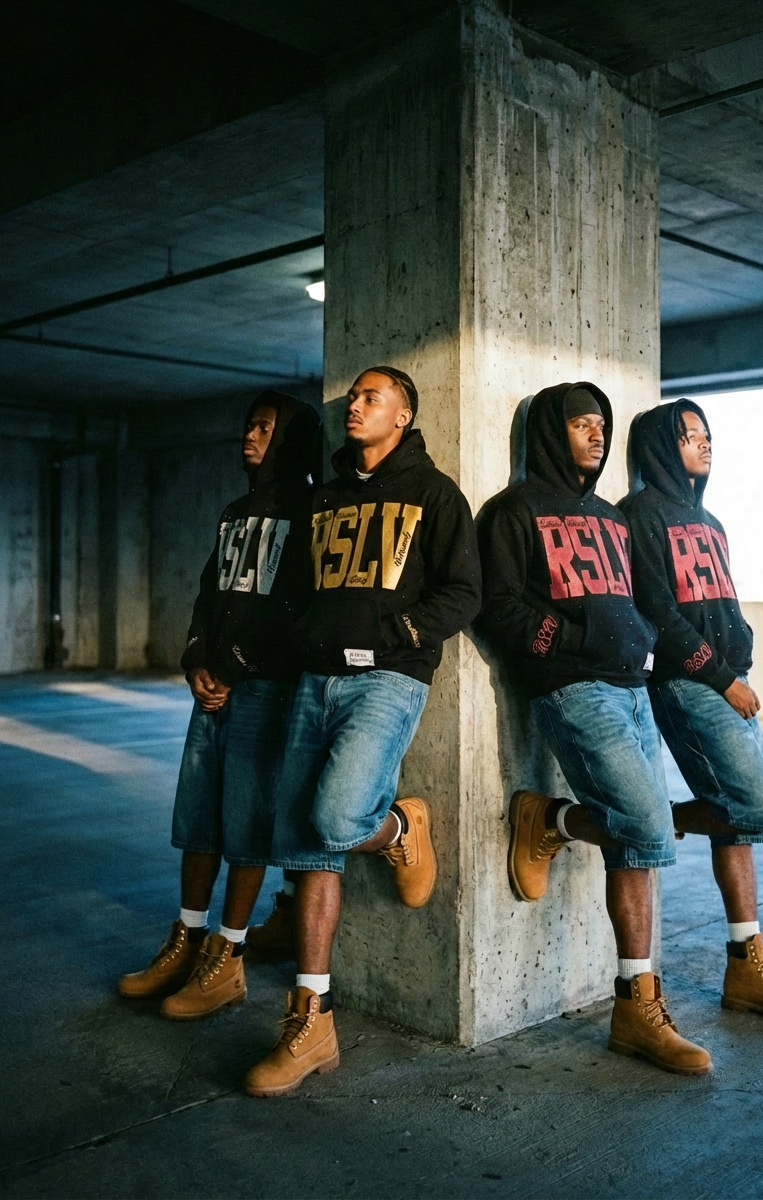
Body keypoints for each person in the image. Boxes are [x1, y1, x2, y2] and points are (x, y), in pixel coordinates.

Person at [243, 366, 481, 1097]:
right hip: (314, 678)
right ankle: (312, 1019)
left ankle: (400, 828)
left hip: (386, 680)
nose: (356, 405)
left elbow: (464, 592)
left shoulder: (435, 493)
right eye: (353, 397)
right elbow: (299, 588)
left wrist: (400, 632)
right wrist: (302, 639)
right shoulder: (327, 495)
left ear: (403, 416)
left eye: (372, 398)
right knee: (305, 846)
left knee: (337, 819)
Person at [476, 382, 712, 1076]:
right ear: (552, 432)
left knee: (641, 845)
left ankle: (636, 1006)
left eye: (601, 425)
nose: (596, 435)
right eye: (581, 424)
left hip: (632, 687)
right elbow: (497, 604)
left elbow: (640, 597)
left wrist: (638, 642)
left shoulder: (611, 517)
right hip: (572, 687)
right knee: (647, 824)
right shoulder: (514, 510)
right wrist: (566, 642)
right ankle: (549, 818)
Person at [118, 391, 322, 1019]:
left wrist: (231, 668)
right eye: (248, 426)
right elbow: (209, 594)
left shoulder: (309, 511)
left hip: (264, 690)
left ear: (289, 438)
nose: (249, 436)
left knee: (247, 825)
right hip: (215, 688)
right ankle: (186, 938)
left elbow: (295, 610)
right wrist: (195, 661)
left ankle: (226, 957)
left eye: (264, 427)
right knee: (199, 816)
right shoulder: (235, 511)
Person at [622, 399, 763, 1026]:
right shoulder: (639, 514)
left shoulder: (710, 521)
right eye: (690, 435)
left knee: (736, 821)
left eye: (707, 434)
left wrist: (741, 652)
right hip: (687, 682)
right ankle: (648, 819)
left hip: (727, 678)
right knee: (757, 806)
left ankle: (746, 964)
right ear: (661, 445)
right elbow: (658, 611)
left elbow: (721, 600)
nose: (705, 443)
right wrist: (720, 675)